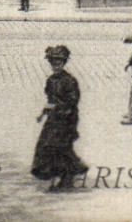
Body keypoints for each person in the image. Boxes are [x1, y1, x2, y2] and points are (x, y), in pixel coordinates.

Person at [31, 45, 88, 192]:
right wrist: (42, 113)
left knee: (60, 147)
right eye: (53, 63)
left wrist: (61, 110)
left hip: (67, 118)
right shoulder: (50, 80)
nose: (56, 65)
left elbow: (73, 101)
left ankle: (65, 179)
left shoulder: (70, 80)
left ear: (63, 63)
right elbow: (50, 100)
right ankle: (62, 178)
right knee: (48, 147)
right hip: (54, 118)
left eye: (59, 62)